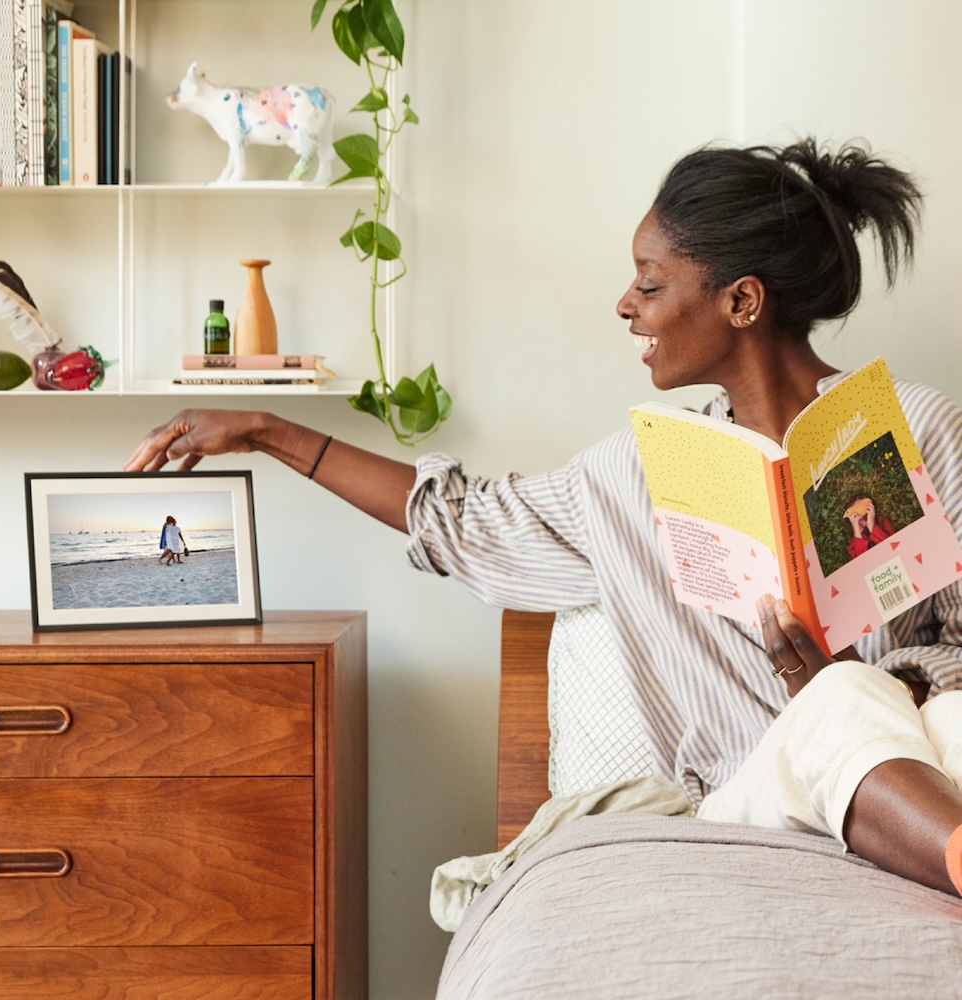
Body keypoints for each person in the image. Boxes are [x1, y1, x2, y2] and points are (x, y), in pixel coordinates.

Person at [125, 138, 962, 899]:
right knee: (840, 701)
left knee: (928, 711)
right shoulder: (637, 475)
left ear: (741, 301)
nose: (626, 307)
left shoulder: (917, 427)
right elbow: (459, 521)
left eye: (650, 282)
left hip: (921, 750)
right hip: (767, 796)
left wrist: (904, 679)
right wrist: (270, 430)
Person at [844, 494, 896, 559]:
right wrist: (858, 534)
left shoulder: (882, 522)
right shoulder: (853, 544)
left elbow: (893, 547)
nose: (862, 516)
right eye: (856, 514)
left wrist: (872, 526)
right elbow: (862, 562)